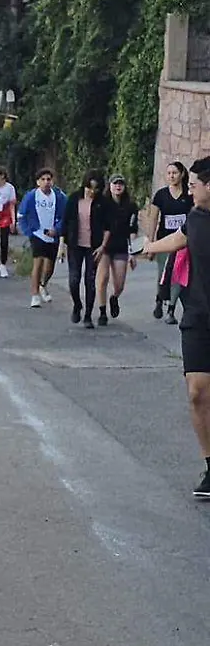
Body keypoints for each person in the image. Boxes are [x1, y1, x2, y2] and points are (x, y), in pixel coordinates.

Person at [143, 156, 210, 499]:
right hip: (197, 317)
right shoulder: (196, 218)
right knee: (198, 393)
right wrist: (149, 247)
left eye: (197, 182)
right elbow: (178, 238)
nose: (192, 187)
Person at [59, 171, 111, 328]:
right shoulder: (74, 198)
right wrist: (62, 245)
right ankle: (77, 305)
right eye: (90, 188)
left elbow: (108, 227)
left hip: (93, 247)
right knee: (74, 279)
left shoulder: (102, 202)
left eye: (96, 189)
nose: (92, 191)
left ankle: (88, 315)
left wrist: (102, 246)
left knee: (90, 280)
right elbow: (65, 222)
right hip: (75, 244)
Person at [150, 162, 192, 324]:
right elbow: (153, 217)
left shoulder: (189, 196)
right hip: (163, 240)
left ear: (182, 174)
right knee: (163, 273)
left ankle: (171, 310)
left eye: (174, 172)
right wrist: (151, 241)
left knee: (177, 273)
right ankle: (159, 299)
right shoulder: (161, 195)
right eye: (168, 173)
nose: (171, 176)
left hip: (182, 242)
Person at [94, 174, 140, 325]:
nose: (118, 186)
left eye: (121, 184)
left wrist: (132, 252)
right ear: (110, 186)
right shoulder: (102, 204)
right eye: (115, 184)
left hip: (121, 246)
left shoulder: (131, 206)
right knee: (102, 278)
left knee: (119, 284)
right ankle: (102, 311)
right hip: (104, 246)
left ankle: (114, 297)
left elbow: (133, 230)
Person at [19, 168, 67, 308]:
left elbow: (65, 217)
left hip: (53, 236)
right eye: (43, 179)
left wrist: (57, 230)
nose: (46, 182)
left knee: (49, 267)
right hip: (37, 234)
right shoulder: (31, 196)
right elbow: (22, 216)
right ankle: (34, 295)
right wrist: (29, 232)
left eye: (49, 179)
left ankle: (43, 284)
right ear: (38, 182)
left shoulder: (59, 197)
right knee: (38, 263)